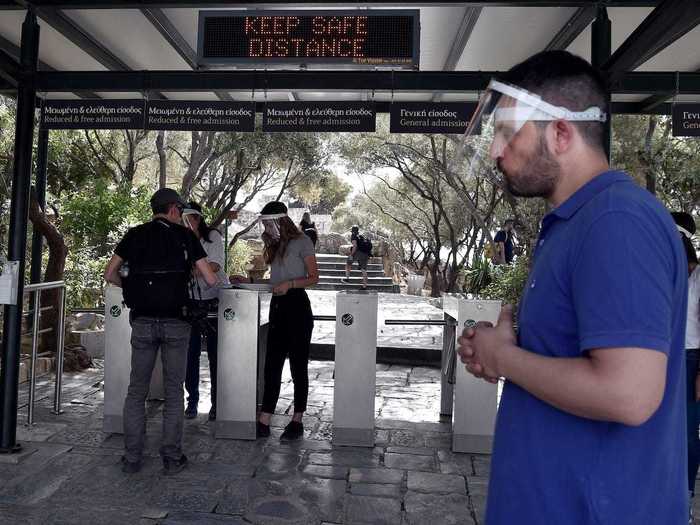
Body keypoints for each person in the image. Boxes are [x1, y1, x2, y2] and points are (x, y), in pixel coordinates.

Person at [456, 50, 687, 524]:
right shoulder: (573, 221)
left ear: (561, 132)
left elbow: (629, 393)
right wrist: (506, 348)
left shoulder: (616, 220)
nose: (497, 151)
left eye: (506, 132)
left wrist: (505, 359)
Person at [104, 188, 217, 475]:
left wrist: (131, 288)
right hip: (176, 323)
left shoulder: (134, 234)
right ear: (174, 209)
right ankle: (171, 457)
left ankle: (131, 458)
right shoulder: (185, 237)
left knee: (136, 391)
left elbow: (109, 274)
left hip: (142, 322)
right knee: (173, 392)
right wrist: (184, 273)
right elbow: (211, 279)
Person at [252, 201, 319, 440]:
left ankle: (297, 419)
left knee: (298, 365)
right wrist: (250, 282)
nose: (266, 227)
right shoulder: (275, 243)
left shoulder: (303, 241)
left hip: (298, 306)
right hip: (277, 307)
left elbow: (314, 277)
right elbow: (274, 282)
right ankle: (265, 418)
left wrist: (289, 284)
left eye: (269, 223)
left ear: (280, 221)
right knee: (272, 364)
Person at [182, 202, 228, 422]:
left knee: (215, 353)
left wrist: (191, 270)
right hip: (190, 300)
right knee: (189, 354)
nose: (185, 223)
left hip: (214, 300)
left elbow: (216, 266)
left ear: (198, 219)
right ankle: (192, 401)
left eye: (188, 219)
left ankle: (217, 403)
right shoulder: (180, 238)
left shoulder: (213, 237)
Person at [673, 212, 700, 520]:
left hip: (690, 359)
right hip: (660, 358)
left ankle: (685, 499)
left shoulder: (697, 276)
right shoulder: (664, 273)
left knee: (688, 433)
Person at [341, 225, 371, 289]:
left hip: (358, 253)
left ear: (352, 231)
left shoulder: (353, 236)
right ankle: (364, 286)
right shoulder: (360, 236)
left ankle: (347, 279)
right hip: (366, 254)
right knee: (363, 270)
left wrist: (351, 255)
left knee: (348, 263)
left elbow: (355, 246)